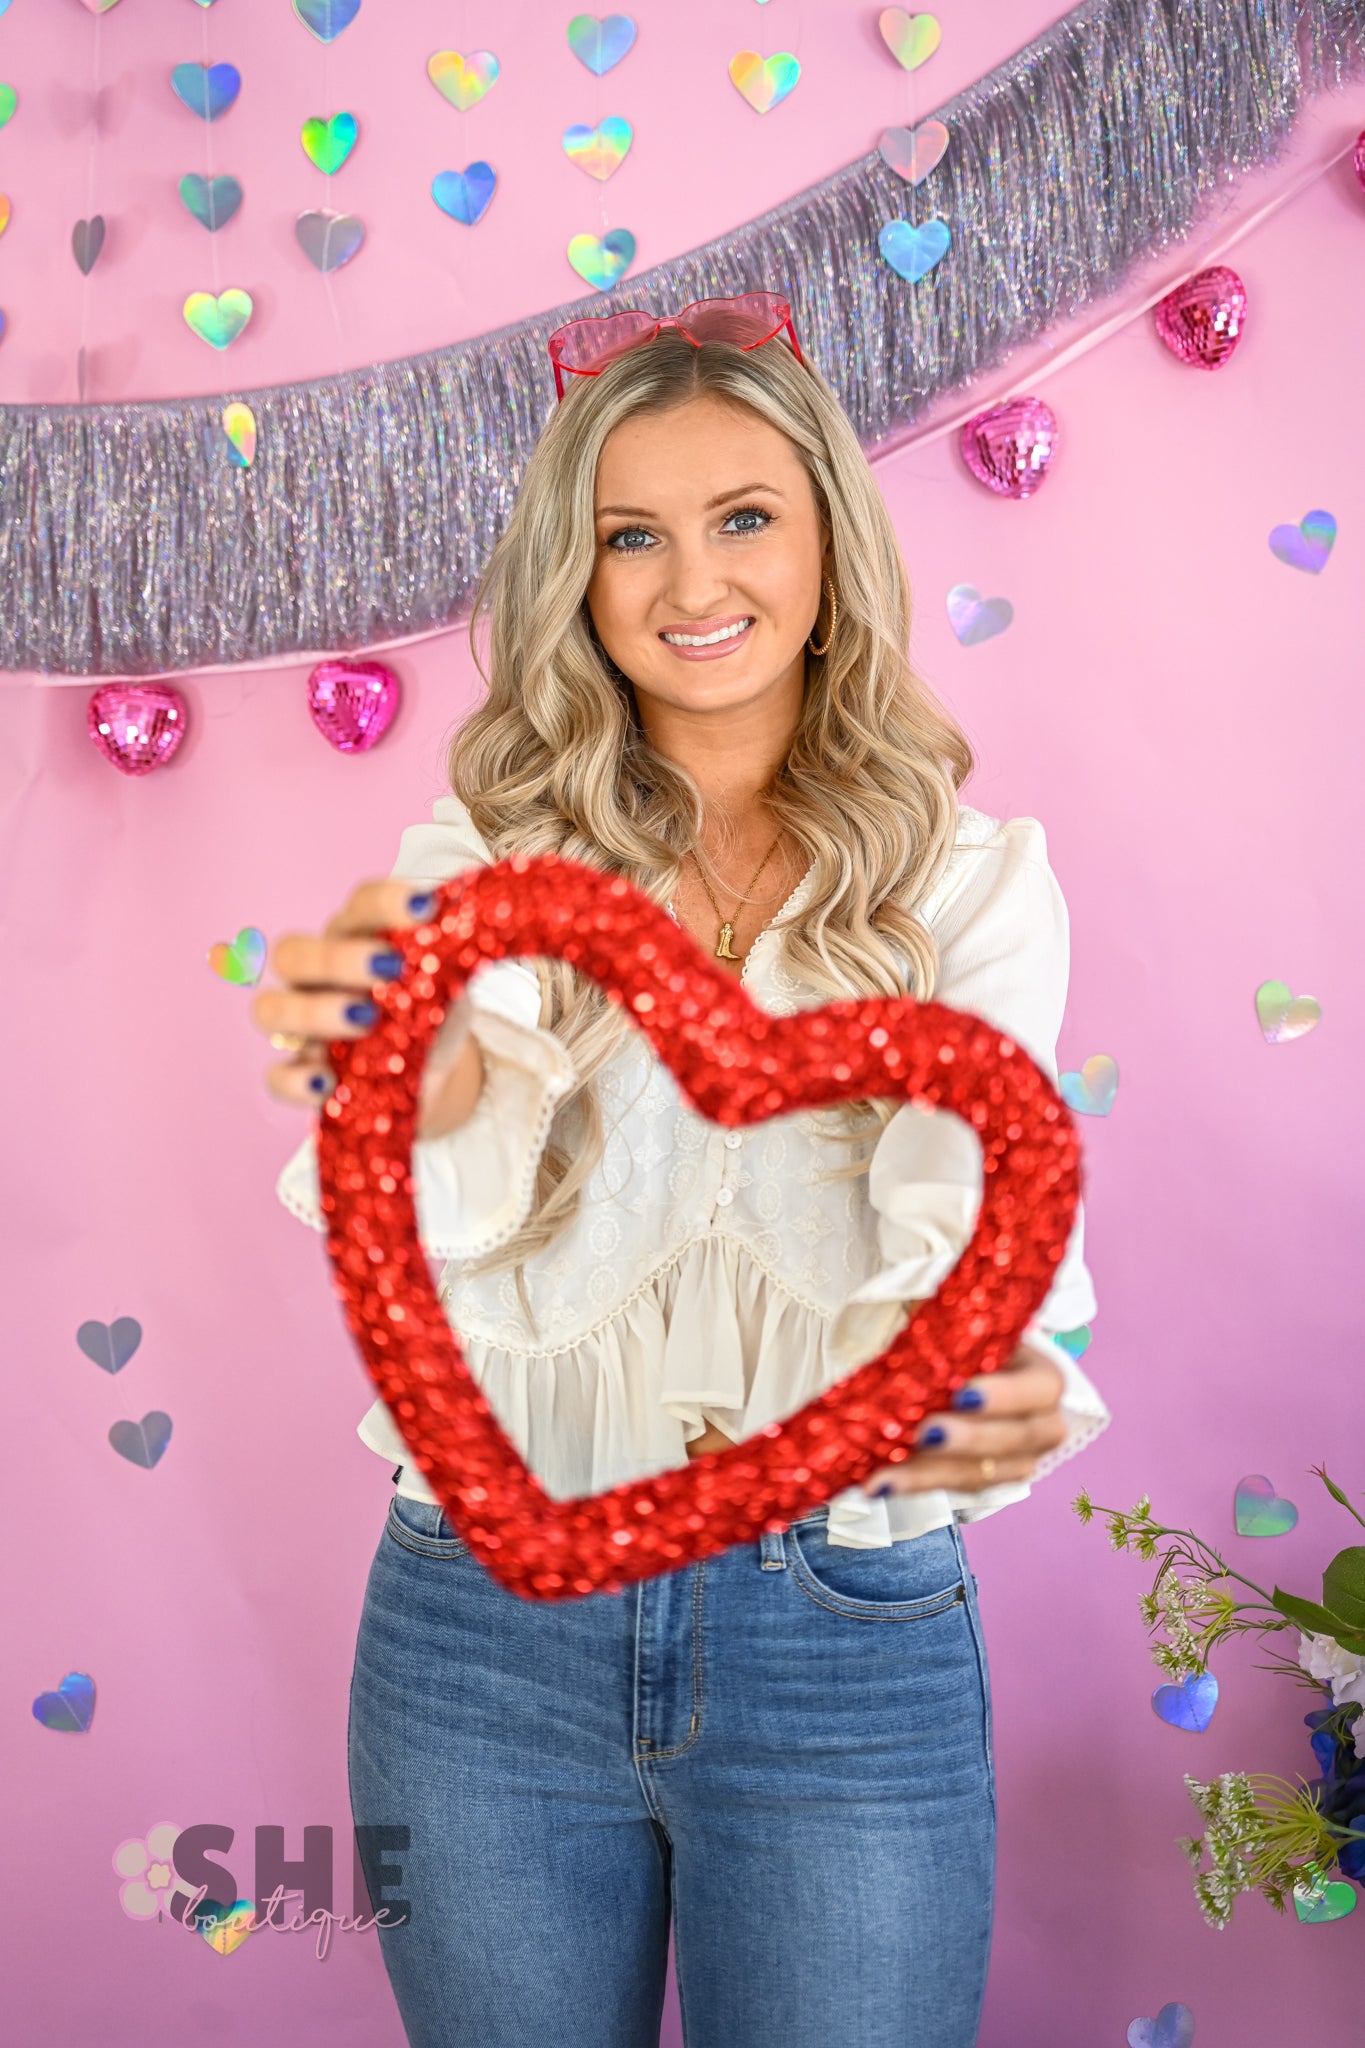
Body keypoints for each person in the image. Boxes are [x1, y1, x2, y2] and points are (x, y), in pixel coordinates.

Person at [253, 293, 1108, 2048]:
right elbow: (447, 1114)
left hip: (834, 1634)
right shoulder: (484, 846)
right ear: (574, 572)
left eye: (740, 519)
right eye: (627, 535)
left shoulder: (967, 882)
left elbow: (972, 1221)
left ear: (824, 547)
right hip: (483, 1625)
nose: (686, 581)